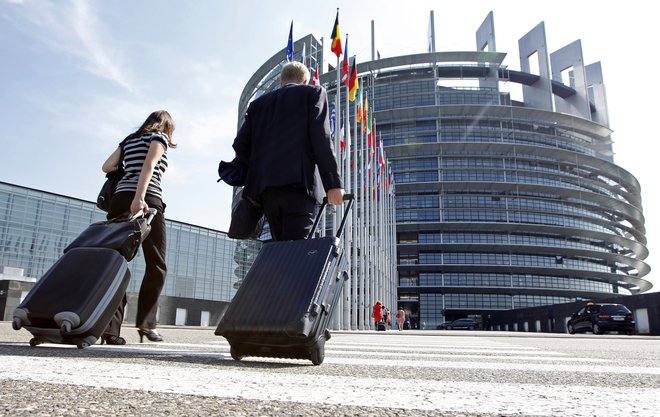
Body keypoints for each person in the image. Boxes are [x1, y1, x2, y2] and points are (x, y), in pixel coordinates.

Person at [231, 61, 344, 241]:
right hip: (299, 187)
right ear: (305, 81)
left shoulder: (258, 105)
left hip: (266, 192)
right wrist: (333, 184)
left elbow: (240, 145)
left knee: (281, 250)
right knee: (297, 252)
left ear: (281, 82)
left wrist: (258, 170)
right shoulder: (313, 93)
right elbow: (321, 139)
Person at [100, 110, 176, 344]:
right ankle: (146, 323)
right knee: (156, 264)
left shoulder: (128, 141)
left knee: (117, 262)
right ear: (166, 127)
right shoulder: (158, 138)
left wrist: (127, 175)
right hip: (146, 200)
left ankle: (110, 329)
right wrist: (139, 198)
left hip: (119, 199)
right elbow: (149, 166)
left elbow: (107, 166)